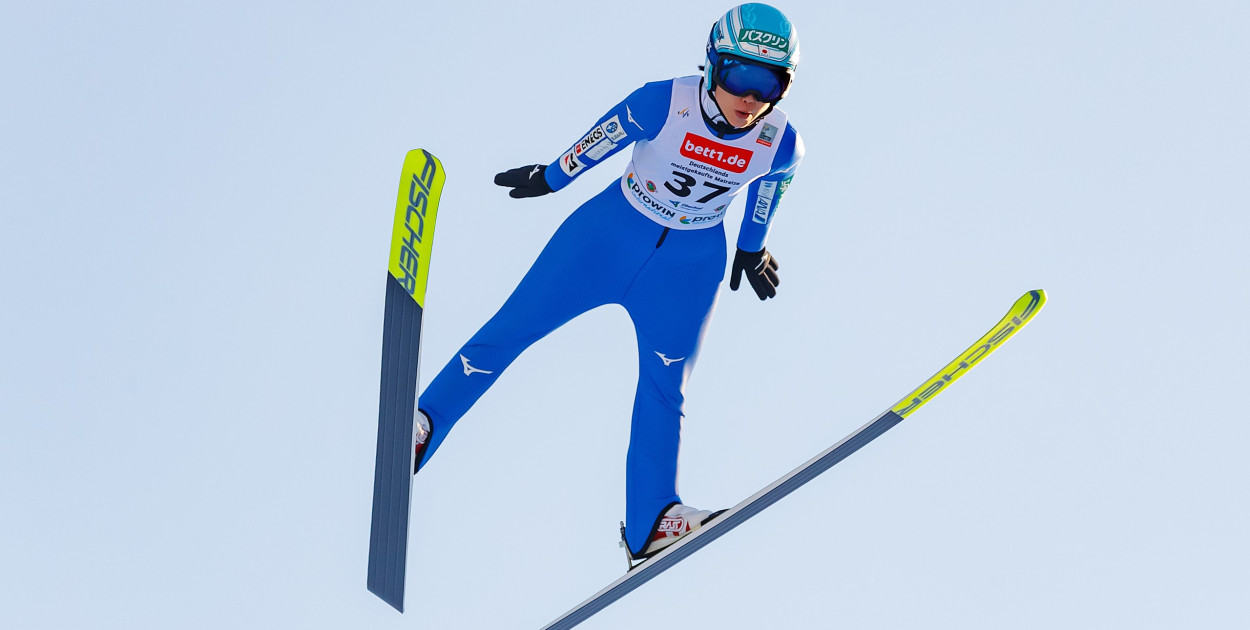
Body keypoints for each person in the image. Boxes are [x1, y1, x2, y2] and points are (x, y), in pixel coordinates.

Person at [413, 3, 804, 563]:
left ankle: (651, 520)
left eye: (768, 84)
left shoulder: (779, 140)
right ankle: (424, 424)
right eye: (739, 76)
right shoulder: (662, 101)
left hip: (688, 267)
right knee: (510, 331)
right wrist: (550, 178)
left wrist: (751, 243)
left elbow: (776, 181)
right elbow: (605, 137)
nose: (750, 97)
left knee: (666, 389)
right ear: (713, 64)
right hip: (606, 237)